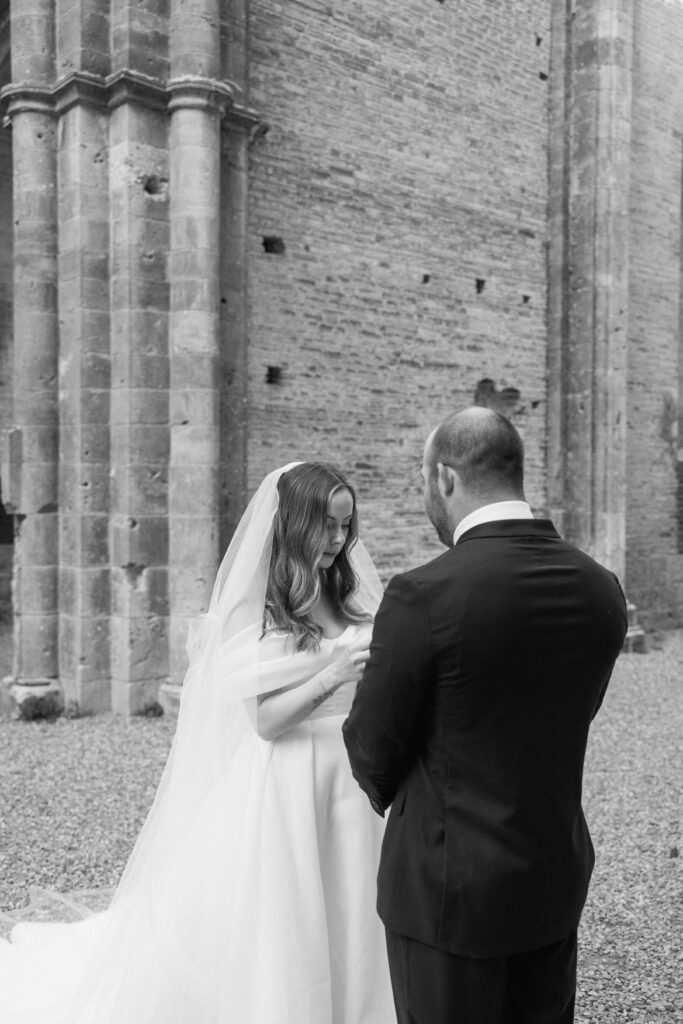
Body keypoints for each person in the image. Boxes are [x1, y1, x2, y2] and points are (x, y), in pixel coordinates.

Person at [0, 462, 395, 1024]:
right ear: (295, 525)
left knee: (353, 908)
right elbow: (264, 722)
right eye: (327, 526)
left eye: (345, 525)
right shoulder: (256, 608)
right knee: (293, 917)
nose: (338, 540)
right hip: (290, 777)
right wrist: (332, 675)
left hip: (353, 776)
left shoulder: (345, 590)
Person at [343, 407, 628, 1024]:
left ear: (445, 478)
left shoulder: (424, 593)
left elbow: (371, 749)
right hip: (552, 874)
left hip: (449, 893)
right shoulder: (601, 587)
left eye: (424, 484)